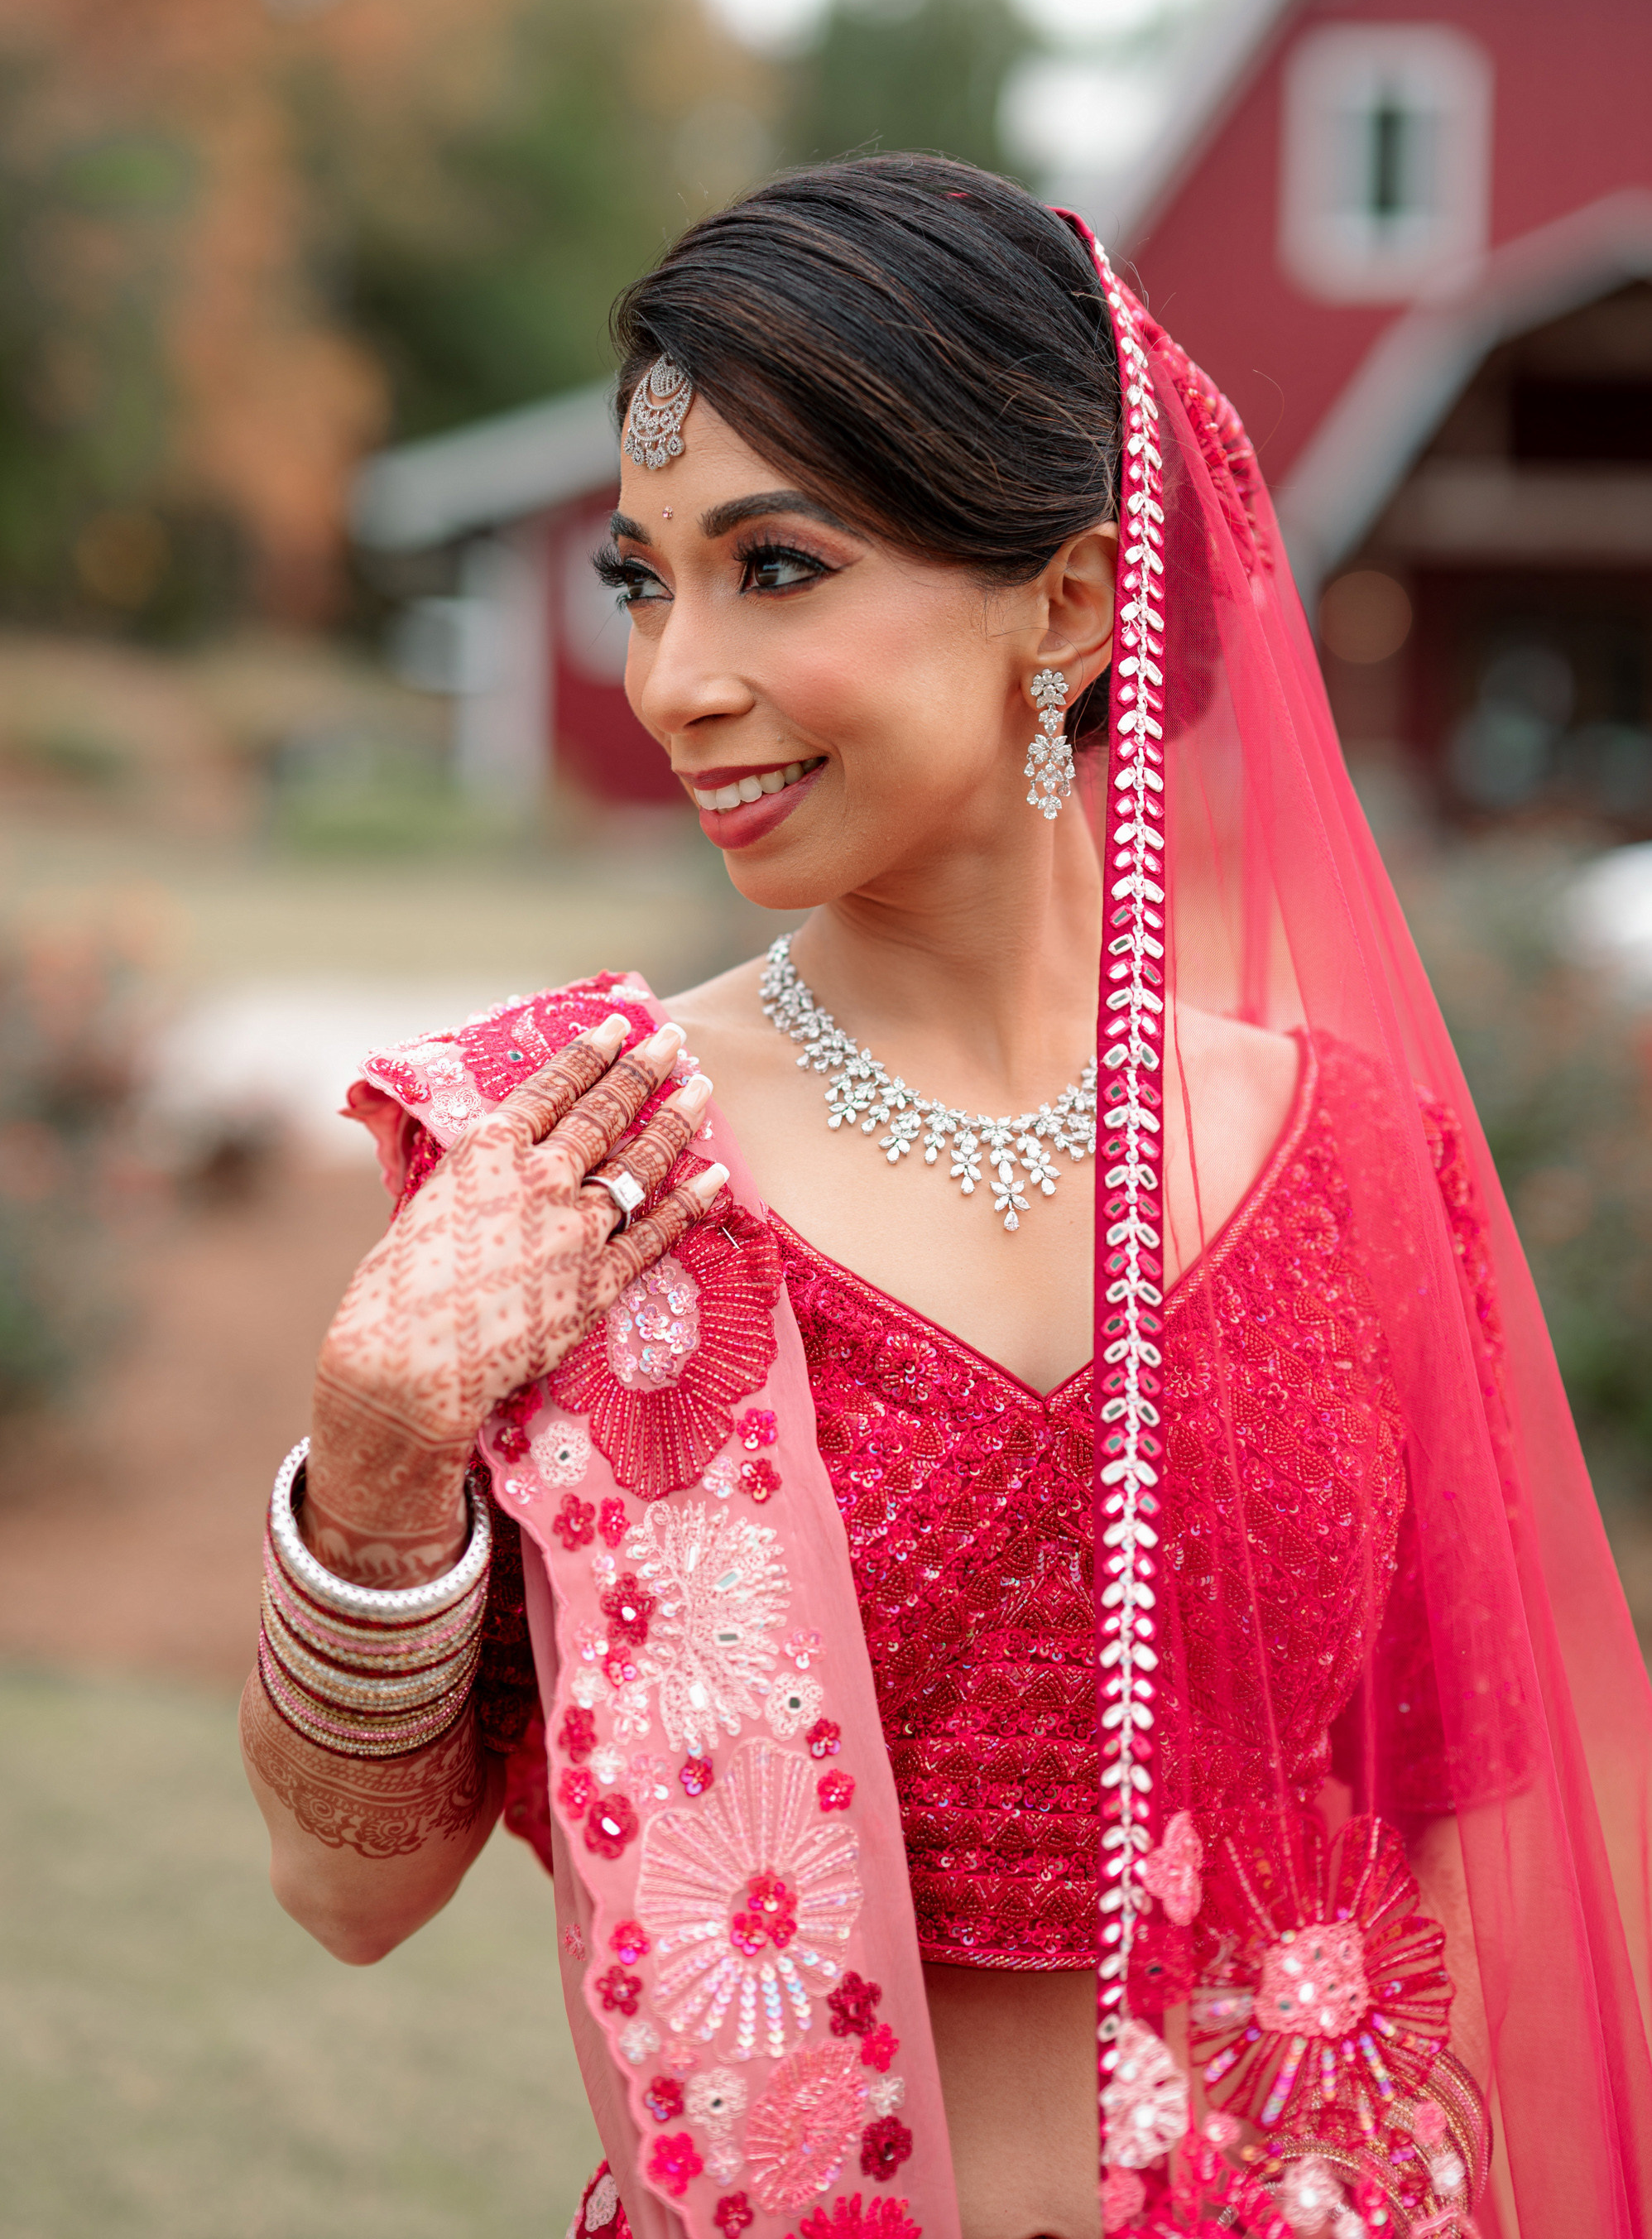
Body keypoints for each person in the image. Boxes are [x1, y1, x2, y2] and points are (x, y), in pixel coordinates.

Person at [243, 158, 1652, 2239]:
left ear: (1068, 605)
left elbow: (1448, 1870)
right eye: (643, 581)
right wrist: (372, 1456)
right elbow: (345, 1901)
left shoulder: (1355, 1169)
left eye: (774, 569)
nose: (674, 679)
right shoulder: (578, 1161)